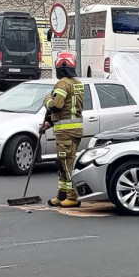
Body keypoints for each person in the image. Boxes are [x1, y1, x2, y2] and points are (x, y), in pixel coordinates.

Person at [41, 50, 84, 208]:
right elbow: (68, 109)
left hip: (65, 132)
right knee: (62, 163)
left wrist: (47, 101)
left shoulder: (62, 84)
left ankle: (72, 196)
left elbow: (57, 105)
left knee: (67, 163)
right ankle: (62, 195)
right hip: (75, 130)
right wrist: (50, 123)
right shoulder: (77, 83)